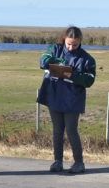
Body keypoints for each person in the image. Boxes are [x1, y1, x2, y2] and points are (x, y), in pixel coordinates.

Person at [37, 26, 96, 173]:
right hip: (54, 96)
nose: (70, 48)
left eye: (74, 45)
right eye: (68, 44)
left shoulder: (87, 59)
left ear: (80, 41)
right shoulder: (55, 49)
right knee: (57, 130)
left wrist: (73, 75)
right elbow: (43, 60)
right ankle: (58, 161)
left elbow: (89, 80)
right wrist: (60, 63)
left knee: (71, 130)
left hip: (72, 99)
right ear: (64, 40)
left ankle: (79, 163)